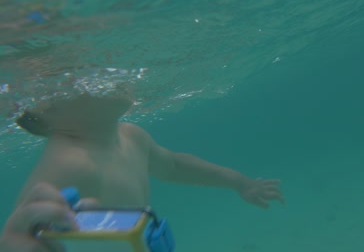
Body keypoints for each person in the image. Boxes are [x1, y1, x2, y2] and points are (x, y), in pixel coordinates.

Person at [0, 91, 285, 251]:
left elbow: (172, 166)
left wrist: (239, 182)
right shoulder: (69, 162)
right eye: (81, 70)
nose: (106, 70)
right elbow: (27, 234)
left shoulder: (130, 135)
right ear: (45, 104)